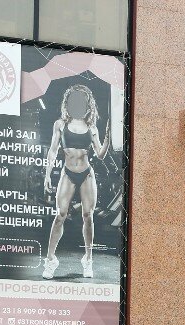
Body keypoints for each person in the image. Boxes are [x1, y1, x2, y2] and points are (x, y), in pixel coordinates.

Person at [41, 85, 109, 280]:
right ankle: (50, 260)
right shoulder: (60, 124)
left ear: (87, 105)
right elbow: (53, 150)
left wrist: (107, 138)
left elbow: (100, 154)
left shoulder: (91, 127)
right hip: (68, 173)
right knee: (60, 215)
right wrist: (47, 175)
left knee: (88, 215)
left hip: (87, 174)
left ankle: (88, 259)